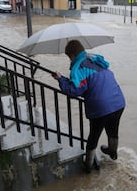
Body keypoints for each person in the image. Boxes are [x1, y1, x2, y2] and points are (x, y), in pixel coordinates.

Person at [52, 40, 125, 173]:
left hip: (100, 107)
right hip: (118, 102)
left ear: (72, 55)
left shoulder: (79, 67)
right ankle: (112, 152)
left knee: (94, 136)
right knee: (113, 130)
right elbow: (90, 82)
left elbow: (75, 90)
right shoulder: (95, 59)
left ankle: (88, 165)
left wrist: (61, 80)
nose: (70, 60)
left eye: (69, 57)